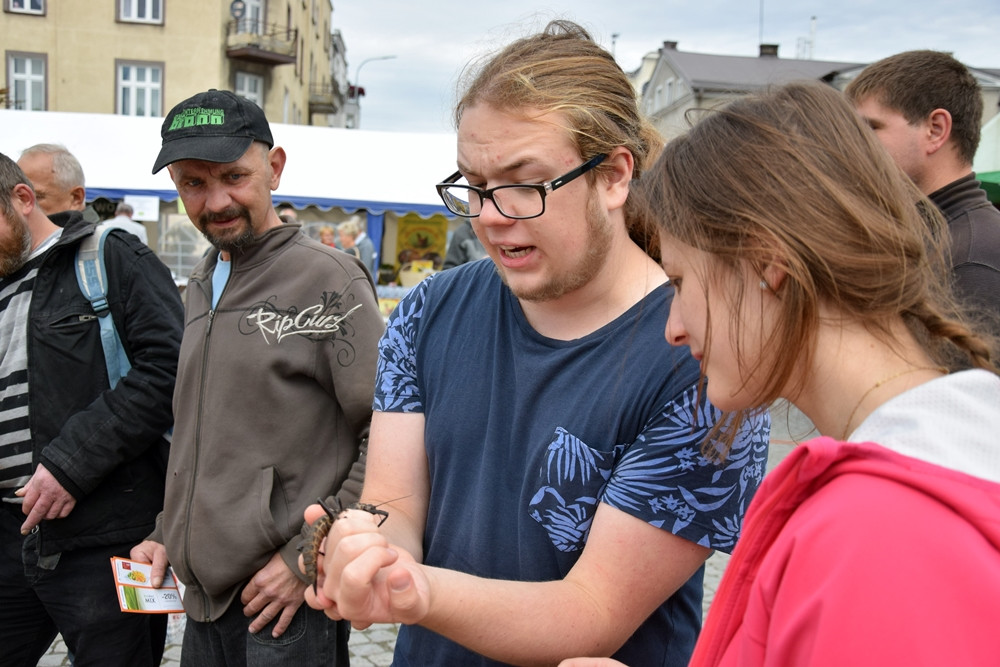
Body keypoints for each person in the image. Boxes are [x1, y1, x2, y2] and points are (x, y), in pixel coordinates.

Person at [303, 21, 770, 666]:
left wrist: (413, 594)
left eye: (525, 183)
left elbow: (592, 614)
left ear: (612, 176)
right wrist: (368, 546)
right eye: (475, 183)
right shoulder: (428, 310)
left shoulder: (701, 361)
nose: (492, 215)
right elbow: (396, 503)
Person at [563, 80, 1000, 667]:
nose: (672, 326)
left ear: (768, 264)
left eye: (681, 283)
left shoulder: (874, 532)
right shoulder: (950, 454)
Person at [130, 89, 384, 667]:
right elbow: (207, 436)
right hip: (204, 604)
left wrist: (308, 557)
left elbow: (390, 436)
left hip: (284, 608)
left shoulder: (329, 281)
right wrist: (169, 533)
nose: (215, 201)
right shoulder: (200, 281)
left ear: (274, 167)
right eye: (193, 183)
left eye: (233, 176)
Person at [0, 150, 183, 665]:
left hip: (104, 537)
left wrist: (70, 465)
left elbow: (170, 369)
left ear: (21, 198)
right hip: (9, 536)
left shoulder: (109, 255)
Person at [845, 50, 1000, 319]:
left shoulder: (972, 259)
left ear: (935, 130)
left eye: (870, 128)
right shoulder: (930, 237)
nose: (853, 145)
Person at [16, 143, 98, 222]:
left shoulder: (99, 235)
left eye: (37, 197)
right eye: (17, 197)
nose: (19, 207)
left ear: (76, 197)